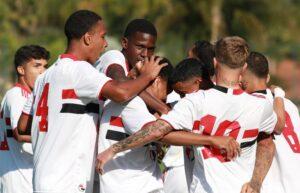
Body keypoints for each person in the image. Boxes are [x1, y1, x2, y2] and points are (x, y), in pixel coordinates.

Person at [96, 36, 277, 193]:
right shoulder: (261, 106)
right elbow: (267, 144)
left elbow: (157, 131)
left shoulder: (196, 101)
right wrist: (256, 182)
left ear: (215, 62)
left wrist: (114, 149)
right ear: (244, 67)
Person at [17, 10, 166, 193]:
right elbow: (121, 92)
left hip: (42, 179)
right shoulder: (79, 70)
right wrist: (148, 76)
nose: (105, 44)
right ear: (88, 38)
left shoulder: (44, 78)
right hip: (67, 181)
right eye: (102, 37)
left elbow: (23, 127)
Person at [98, 59, 173, 193]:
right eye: (168, 89)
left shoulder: (120, 99)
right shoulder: (134, 103)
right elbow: (156, 132)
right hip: (139, 186)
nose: (167, 97)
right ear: (157, 80)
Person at [241, 51, 300, 193]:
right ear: (267, 77)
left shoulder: (249, 105)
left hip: (273, 185)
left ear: (242, 77)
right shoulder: (288, 103)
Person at [0, 45, 49, 193]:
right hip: (18, 180)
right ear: (21, 70)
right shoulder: (17, 95)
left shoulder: (27, 96)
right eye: (36, 66)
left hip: (24, 176)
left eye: (45, 66)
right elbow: (19, 133)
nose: (42, 71)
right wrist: (54, 137)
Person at [95, 18, 169, 114]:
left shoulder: (136, 71)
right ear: (125, 43)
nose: (145, 54)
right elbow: (122, 86)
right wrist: (163, 109)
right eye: (140, 47)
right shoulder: (113, 56)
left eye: (150, 49)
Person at [163, 58, 214, 193]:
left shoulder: (219, 103)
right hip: (191, 177)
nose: (181, 99)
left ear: (198, 81)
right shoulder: (187, 105)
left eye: (183, 93)